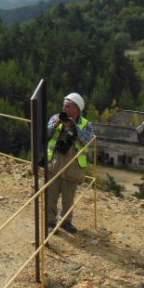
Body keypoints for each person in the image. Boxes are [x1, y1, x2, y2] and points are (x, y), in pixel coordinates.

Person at [44, 93, 94, 234]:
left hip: (73, 166)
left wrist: (74, 128)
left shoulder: (86, 125)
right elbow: (46, 133)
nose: (64, 108)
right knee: (51, 196)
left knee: (68, 198)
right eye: (64, 105)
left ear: (77, 109)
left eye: (68, 106)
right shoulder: (56, 117)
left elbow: (87, 142)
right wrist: (56, 124)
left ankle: (66, 221)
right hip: (55, 163)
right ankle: (50, 222)